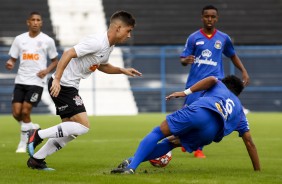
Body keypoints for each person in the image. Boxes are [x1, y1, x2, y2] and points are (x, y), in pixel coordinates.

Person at [26, 10, 142, 170]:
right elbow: (68, 53)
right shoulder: (96, 42)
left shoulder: (108, 46)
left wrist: (122, 70)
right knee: (83, 126)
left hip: (69, 86)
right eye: (128, 30)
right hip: (63, 85)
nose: (129, 35)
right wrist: (58, 79)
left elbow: (102, 65)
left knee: (71, 131)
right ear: (118, 28)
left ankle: (36, 160)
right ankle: (37, 134)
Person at [111, 75, 260, 174]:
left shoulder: (220, 85)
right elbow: (249, 142)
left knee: (158, 132)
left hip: (201, 112)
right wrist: (257, 172)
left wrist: (185, 92)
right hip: (210, 133)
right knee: (172, 142)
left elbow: (213, 79)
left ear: (226, 84)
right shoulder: (239, 109)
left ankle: (131, 167)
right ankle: (131, 160)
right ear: (238, 94)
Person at [179, 5, 250, 158]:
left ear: (217, 18)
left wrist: (243, 71)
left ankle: (199, 149)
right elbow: (183, 60)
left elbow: (232, 55)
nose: (209, 19)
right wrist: (186, 60)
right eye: (206, 16)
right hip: (195, 83)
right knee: (187, 113)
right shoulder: (194, 38)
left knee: (210, 116)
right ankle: (185, 140)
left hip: (215, 86)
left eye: (212, 16)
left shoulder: (224, 38)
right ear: (202, 17)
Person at [5, 11, 59, 153]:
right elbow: (13, 58)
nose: (35, 22)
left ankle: (23, 143)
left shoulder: (47, 40)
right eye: (33, 20)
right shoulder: (19, 39)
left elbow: (55, 61)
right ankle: (31, 127)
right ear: (28, 22)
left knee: (25, 111)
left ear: (41, 23)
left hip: (37, 82)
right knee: (16, 113)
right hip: (20, 80)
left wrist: (46, 71)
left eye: (38, 20)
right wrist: (10, 62)